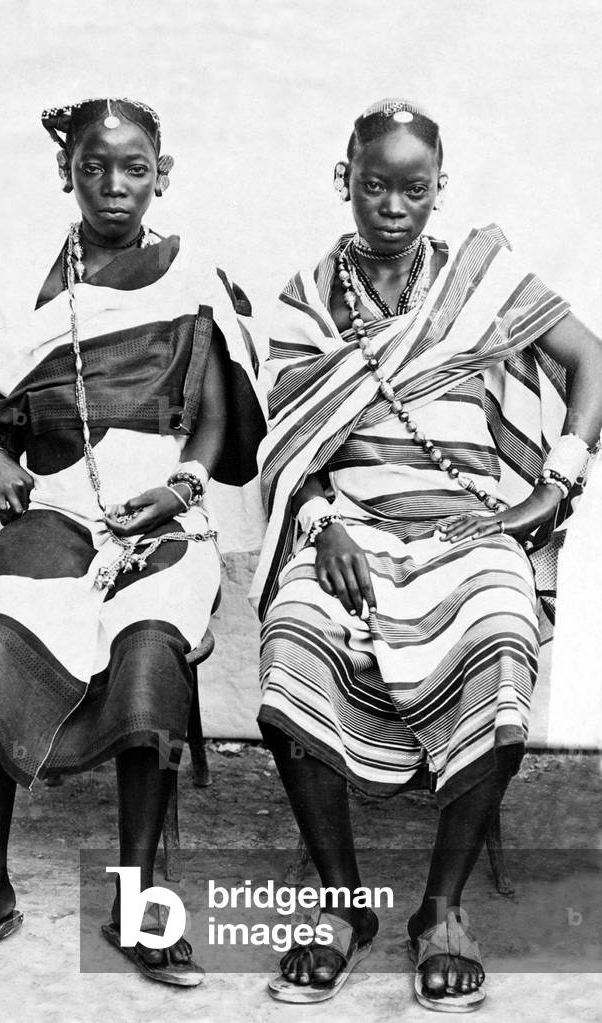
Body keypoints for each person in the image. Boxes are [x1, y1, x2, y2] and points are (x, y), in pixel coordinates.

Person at [0, 96, 265, 986]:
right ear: (66, 173)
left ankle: (139, 896)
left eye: (133, 167)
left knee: (149, 649)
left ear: (161, 176)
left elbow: (216, 426)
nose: (112, 184)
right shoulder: (18, 275)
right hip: (55, 508)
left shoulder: (195, 277)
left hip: (165, 514)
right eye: (93, 166)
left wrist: (176, 490)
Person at [250, 97, 602, 1009]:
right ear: (345, 181)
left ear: (439, 190)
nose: (393, 206)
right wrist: (321, 524)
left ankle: (438, 910)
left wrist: (553, 484)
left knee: (497, 624)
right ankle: (338, 904)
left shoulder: (483, 278)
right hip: (352, 530)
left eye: (414, 188)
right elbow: (288, 443)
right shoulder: (303, 299)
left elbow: (592, 359)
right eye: (375, 185)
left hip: (464, 525)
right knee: (292, 630)